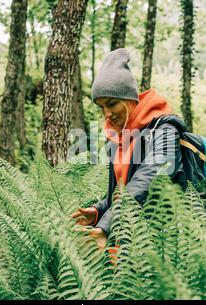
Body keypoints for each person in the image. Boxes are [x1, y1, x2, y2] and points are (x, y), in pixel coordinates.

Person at [71, 48, 187, 250]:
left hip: (165, 244)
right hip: (131, 243)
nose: (107, 113)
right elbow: (121, 191)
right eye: (101, 107)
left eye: (112, 103)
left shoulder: (165, 130)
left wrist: (107, 225)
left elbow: (151, 176)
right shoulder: (119, 139)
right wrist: (99, 210)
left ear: (131, 99)